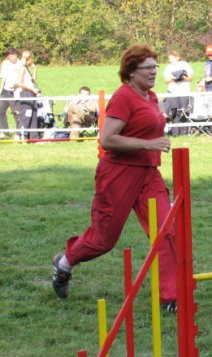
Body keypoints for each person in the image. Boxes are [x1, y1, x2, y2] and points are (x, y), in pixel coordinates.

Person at [51, 44, 177, 312]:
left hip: (148, 175)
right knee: (103, 240)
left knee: (167, 231)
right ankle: (64, 263)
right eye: (148, 68)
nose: (154, 71)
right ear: (131, 72)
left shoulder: (150, 97)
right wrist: (148, 144)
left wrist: (150, 147)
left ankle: (170, 298)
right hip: (118, 174)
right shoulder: (123, 97)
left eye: (156, 66)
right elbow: (107, 139)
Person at [162, 51, 193, 136]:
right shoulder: (168, 67)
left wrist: (181, 78)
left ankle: (184, 132)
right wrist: (174, 79)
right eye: (169, 59)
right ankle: (175, 132)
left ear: (177, 57)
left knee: (184, 111)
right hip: (172, 92)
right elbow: (166, 80)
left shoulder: (185, 65)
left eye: (171, 58)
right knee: (174, 112)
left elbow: (190, 78)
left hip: (184, 91)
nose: (170, 60)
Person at [14, 51, 40, 140]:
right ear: (29, 59)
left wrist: (35, 69)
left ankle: (34, 138)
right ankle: (23, 137)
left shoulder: (26, 69)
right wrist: (32, 89)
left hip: (31, 94)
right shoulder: (22, 69)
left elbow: (33, 80)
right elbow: (19, 83)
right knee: (26, 116)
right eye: (31, 61)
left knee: (33, 115)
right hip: (26, 94)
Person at [0, 47, 21, 139]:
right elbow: (3, 78)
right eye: (11, 55)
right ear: (8, 56)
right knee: (1, 110)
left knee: (16, 113)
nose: (13, 57)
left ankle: (19, 133)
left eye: (15, 55)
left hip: (15, 92)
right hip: (5, 91)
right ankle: (4, 132)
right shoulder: (5, 64)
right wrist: (0, 90)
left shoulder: (20, 64)